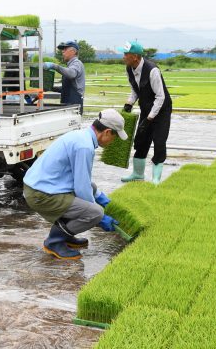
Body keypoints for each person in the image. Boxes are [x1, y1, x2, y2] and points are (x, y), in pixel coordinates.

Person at [23, 109, 127, 260]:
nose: (113, 141)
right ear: (107, 132)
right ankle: (54, 241)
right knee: (94, 212)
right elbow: (81, 189)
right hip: (41, 194)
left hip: (41, 186)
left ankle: (66, 235)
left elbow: (83, 181)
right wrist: (100, 217)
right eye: (115, 137)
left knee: (93, 191)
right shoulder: (84, 147)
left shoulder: (80, 136)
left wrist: (99, 196)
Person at [118, 41, 172, 185]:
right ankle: (137, 174)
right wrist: (129, 104)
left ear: (135, 56)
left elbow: (161, 97)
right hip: (146, 108)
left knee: (159, 141)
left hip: (162, 110)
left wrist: (149, 119)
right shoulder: (129, 68)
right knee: (141, 139)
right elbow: (135, 90)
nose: (123, 57)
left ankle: (155, 179)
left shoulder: (152, 70)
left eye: (126, 54)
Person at [43, 40, 85, 114]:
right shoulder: (70, 65)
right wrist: (50, 87)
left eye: (65, 49)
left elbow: (71, 74)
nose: (62, 52)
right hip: (68, 103)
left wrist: (54, 66)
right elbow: (65, 89)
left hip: (74, 104)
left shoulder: (76, 63)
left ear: (73, 51)